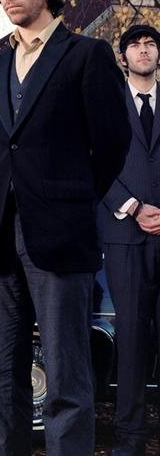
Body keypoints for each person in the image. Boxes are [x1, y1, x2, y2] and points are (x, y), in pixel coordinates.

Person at [0, 0, 131, 455]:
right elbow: (2, 147)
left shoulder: (87, 55)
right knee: (0, 374)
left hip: (61, 233)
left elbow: (112, 143)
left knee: (66, 376)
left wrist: (71, 198)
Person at [99, 24, 160, 456]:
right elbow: (96, 163)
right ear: (124, 57)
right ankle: (131, 437)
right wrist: (135, 207)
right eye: (135, 45)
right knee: (133, 338)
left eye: (150, 44)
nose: (143, 50)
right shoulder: (108, 105)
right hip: (124, 235)